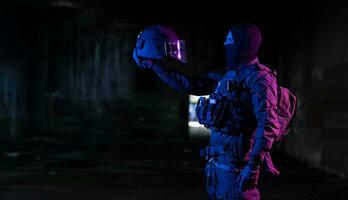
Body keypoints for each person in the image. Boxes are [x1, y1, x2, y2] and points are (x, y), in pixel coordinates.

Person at [132, 23, 280, 200]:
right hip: (218, 163)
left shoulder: (260, 79)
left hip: (238, 165)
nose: (227, 46)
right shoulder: (228, 74)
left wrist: (253, 165)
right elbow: (191, 85)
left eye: (231, 41)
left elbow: (269, 124)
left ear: (245, 44)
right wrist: (158, 67)